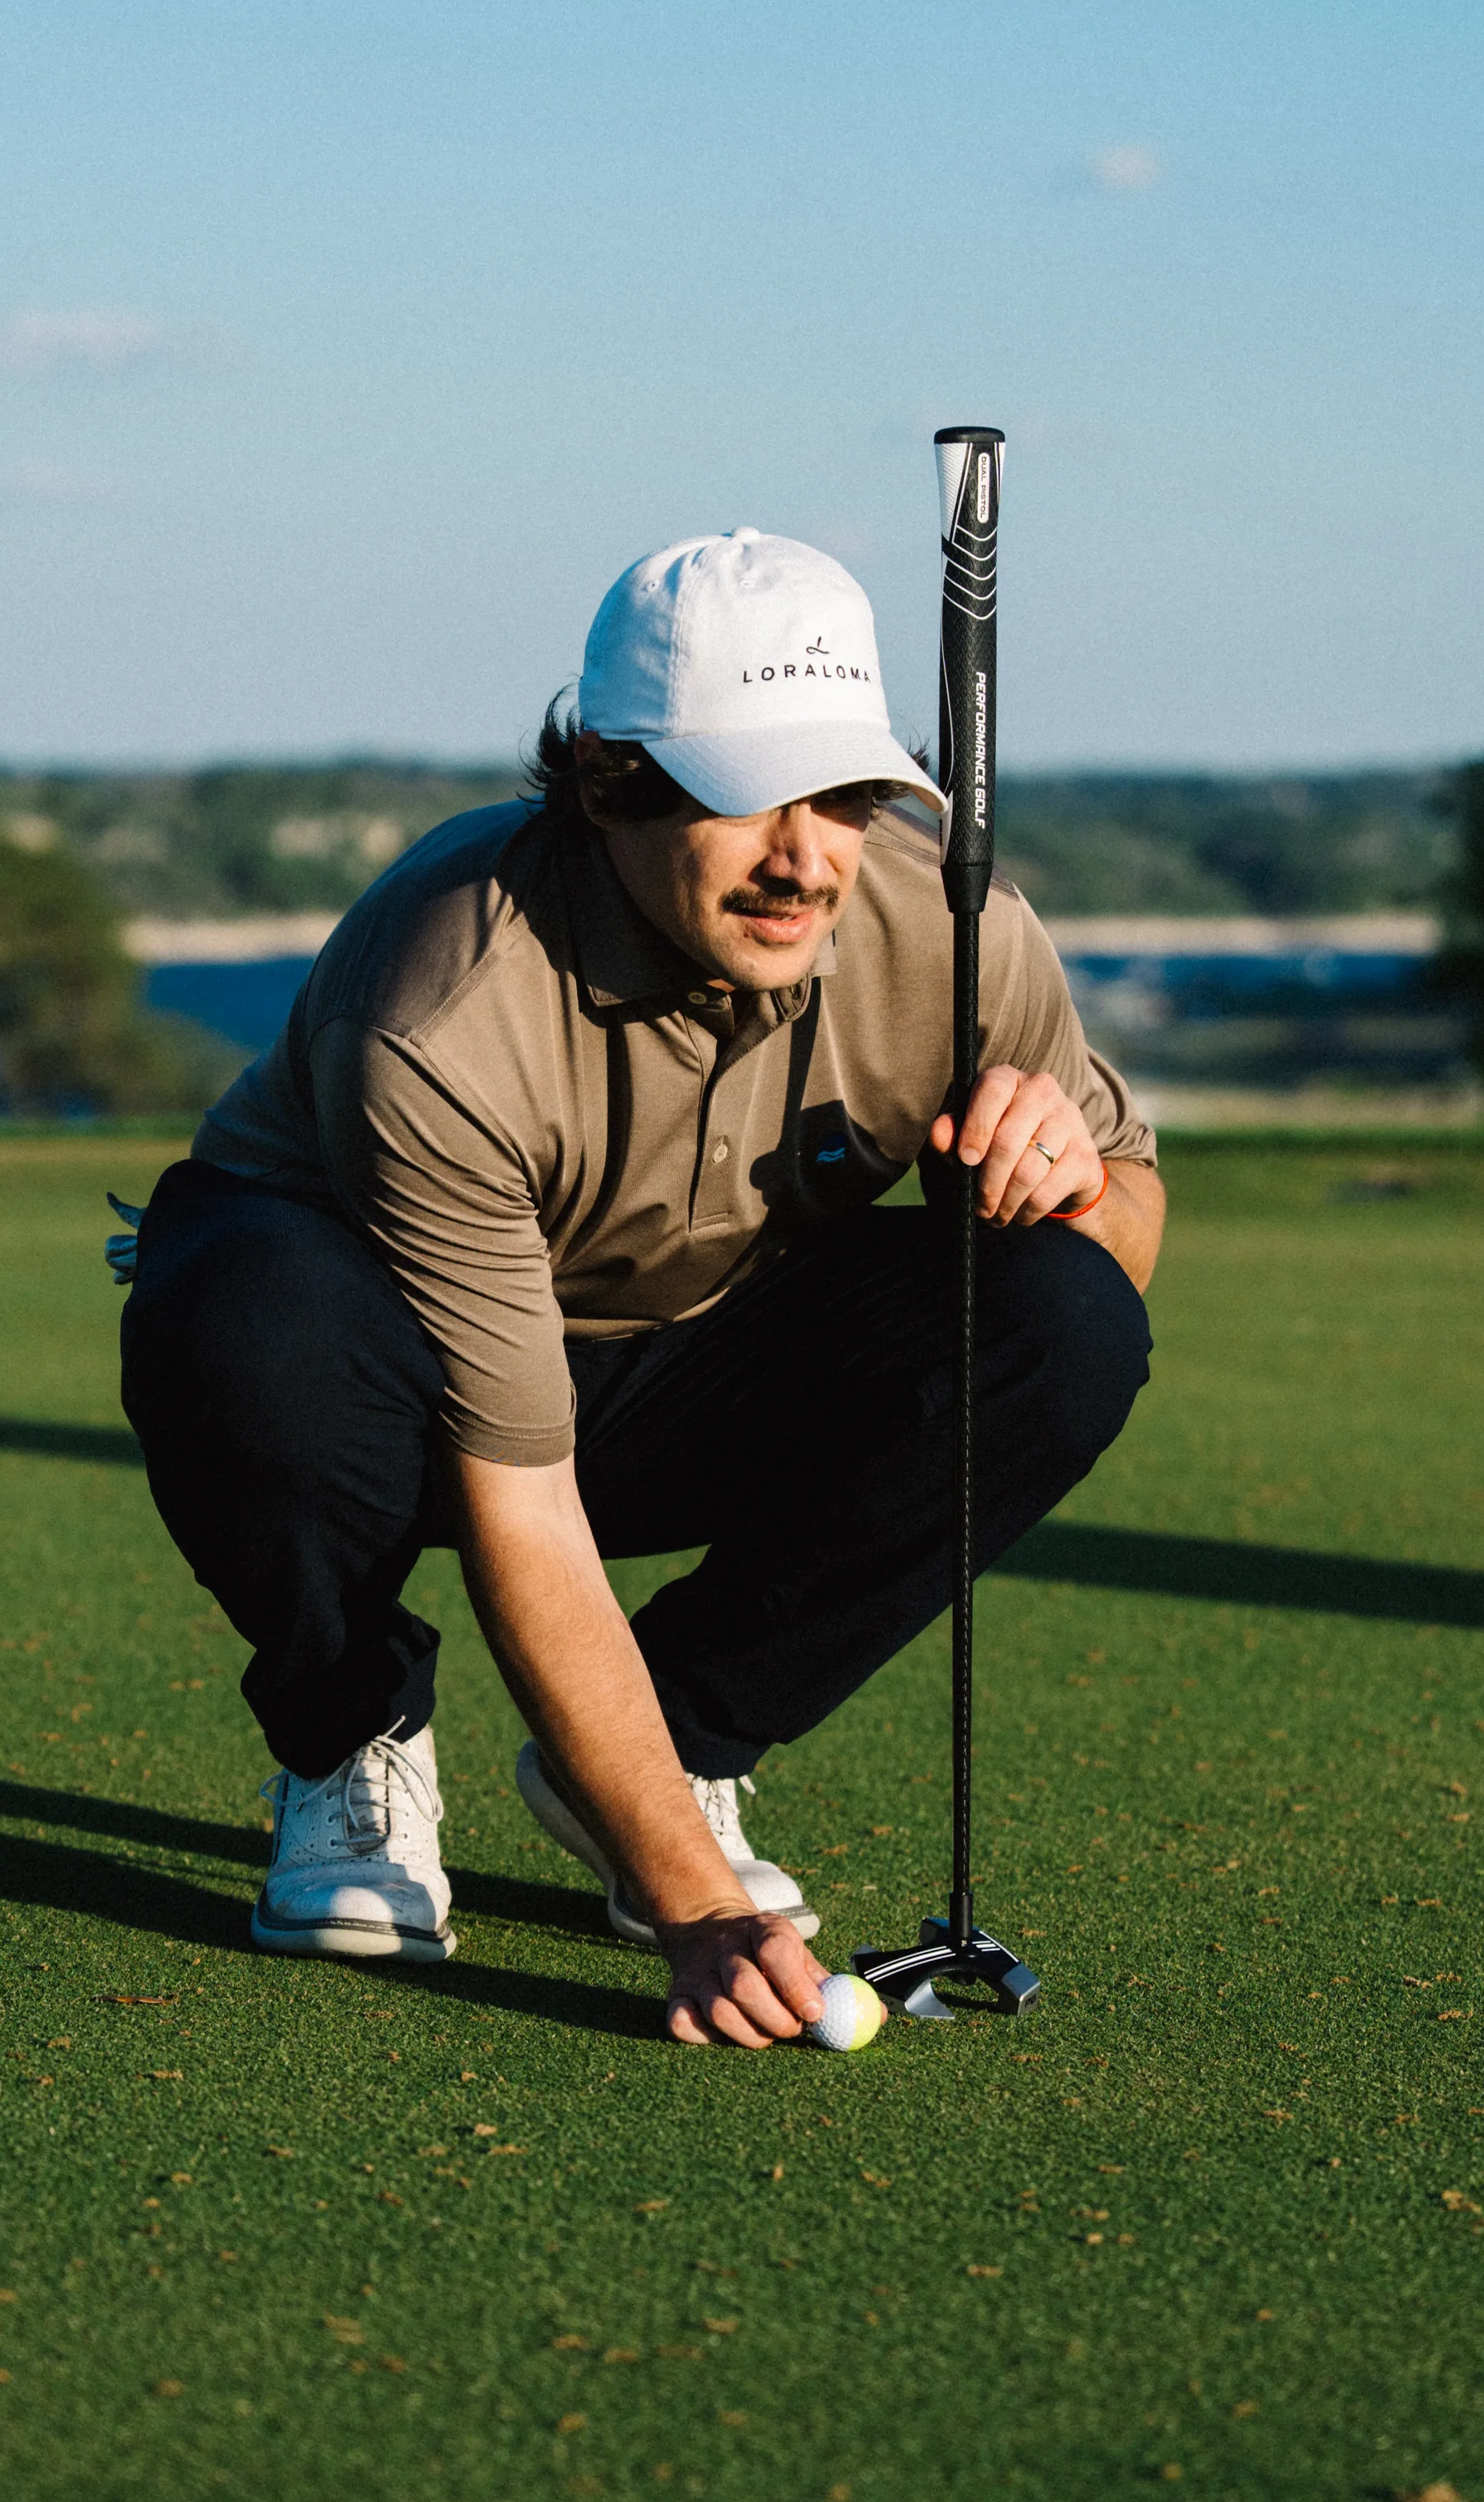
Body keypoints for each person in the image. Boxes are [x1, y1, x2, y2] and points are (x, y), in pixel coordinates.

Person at [119, 527, 1164, 2048]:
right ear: (615, 784)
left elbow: (1120, 1249)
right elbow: (522, 1508)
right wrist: (693, 1898)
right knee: (242, 1314)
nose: (809, 855)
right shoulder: (445, 1003)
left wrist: (1064, 1185)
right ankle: (350, 1735)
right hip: (386, 1376)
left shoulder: (952, 928)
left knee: (1062, 1318)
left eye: (849, 796)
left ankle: (679, 1730)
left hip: (692, 1364)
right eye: (752, 798)